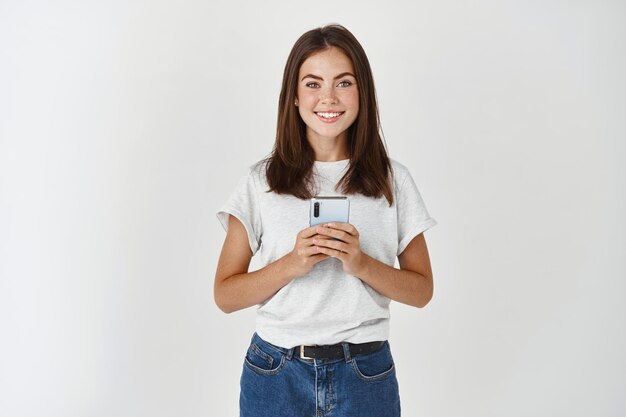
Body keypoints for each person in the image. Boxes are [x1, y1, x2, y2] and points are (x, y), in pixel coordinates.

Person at [214, 23, 437, 417]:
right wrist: (292, 263)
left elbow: (421, 292)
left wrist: (361, 263)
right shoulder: (260, 182)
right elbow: (226, 296)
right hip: (275, 373)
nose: (329, 97)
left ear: (362, 93)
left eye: (344, 82)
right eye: (313, 84)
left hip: (365, 374)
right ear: (295, 97)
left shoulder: (393, 180)